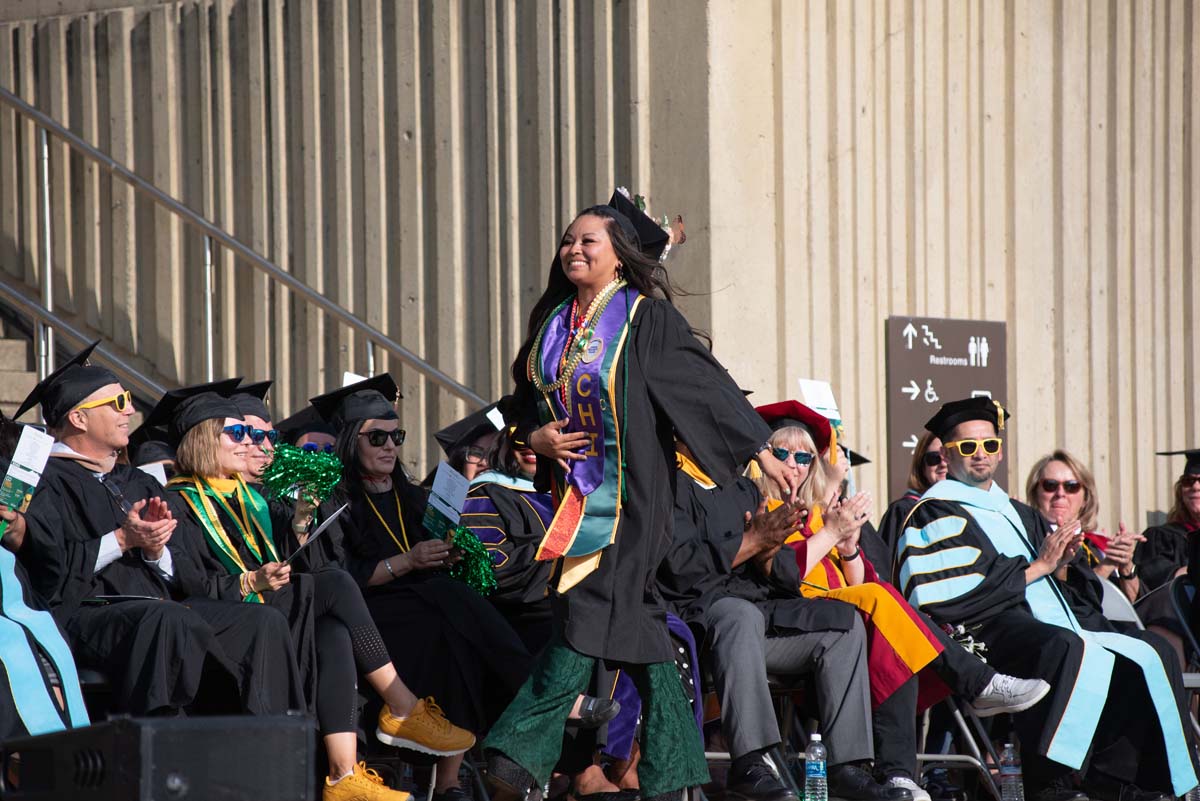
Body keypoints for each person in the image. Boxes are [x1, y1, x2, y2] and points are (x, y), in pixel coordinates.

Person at [483, 189, 801, 801]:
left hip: (632, 505)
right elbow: (521, 406)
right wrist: (533, 438)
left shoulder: (643, 319)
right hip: (575, 504)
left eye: (588, 240)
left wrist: (760, 449)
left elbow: (703, 387)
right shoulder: (552, 325)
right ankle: (677, 771)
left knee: (585, 613)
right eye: (568, 240)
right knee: (641, 626)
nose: (573, 249)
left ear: (619, 255)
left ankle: (515, 754)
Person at [160, 385, 473, 801]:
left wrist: (301, 520)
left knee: (334, 632)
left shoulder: (253, 499)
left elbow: (287, 559)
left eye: (257, 435)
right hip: (228, 621)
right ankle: (401, 706)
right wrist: (249, 582)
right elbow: (189, 584)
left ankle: (344, 775)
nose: (251, 443)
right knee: (337, 582)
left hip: (272, 607)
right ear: (203, 440)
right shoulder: (177, 503)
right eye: (238, 433)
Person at [897, 397, 1197, 801]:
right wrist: (1040, 566)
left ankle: (1119, 781)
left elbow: (1073, 591)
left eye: (988, 444)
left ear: (999, 452)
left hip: (1047, 623)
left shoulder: (1021, 514)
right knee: (1063, 647)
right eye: (968, 446)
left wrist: (1063, 567)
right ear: (948, 455)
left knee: (1149, 649)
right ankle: (1051, 784)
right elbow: (947, 597)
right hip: (983, 632)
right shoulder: (932, 512)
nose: (980, 454)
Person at [754, 401, 1047, 799]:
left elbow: (858, 581)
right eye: (783, 453)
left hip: (842, 619)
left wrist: (848, 548)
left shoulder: (819, 513)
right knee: (888, 609)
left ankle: (899, 776)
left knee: (896, 639)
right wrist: (830, 535)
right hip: (792, 620)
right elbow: (784, 575)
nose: (794, 464)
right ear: (765, 458)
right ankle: (977, 682)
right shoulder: (758, 507)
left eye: (804, 456)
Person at [15, 345, 302, 720]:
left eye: (128, 399)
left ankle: (270, 743)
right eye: (118, 402)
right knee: (168, 619)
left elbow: (188, 575)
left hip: (162, 606)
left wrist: (155, 549)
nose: (130, 411)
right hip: (85, 613)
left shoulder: (137, 481)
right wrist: (122, 540)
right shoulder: (43, 481)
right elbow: (47, 569)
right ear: (79, 418)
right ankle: (162, 747)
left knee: (260, 621)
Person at [313, 375, 548, 801]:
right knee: (447, 602)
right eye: (377, 437)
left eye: (396, 436)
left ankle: (449, 782)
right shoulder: (334, 501)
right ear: (350, 442)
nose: (389, 446)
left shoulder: (413, 496)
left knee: (453, 620)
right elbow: (337, 577)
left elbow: (431, 561)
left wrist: (449, 554)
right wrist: (409, 561)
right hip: (368, 616)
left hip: (420, 608)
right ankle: (534, 690)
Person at [660, 441, 910, 801]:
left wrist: (770, 548)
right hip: (698, 620)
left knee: (842, 624)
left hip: (756, 618)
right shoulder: (671, 482)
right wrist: (752, 541)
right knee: (739, 613)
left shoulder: (742, 489)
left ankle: (847, 766)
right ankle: (751, 762)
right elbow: (679, 568)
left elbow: (780, 574)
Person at [0, 411, 90, 739]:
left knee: (35, 644)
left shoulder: (13, 456)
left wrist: (18, 529)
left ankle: (54, 756)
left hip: (14, 608)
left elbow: (51, 568)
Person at [1025, 451, 1141, 603]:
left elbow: (1135, 605)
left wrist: (1125, 565)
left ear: (1086, 498)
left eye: (1071, 486)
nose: (1060, 493)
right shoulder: (1026, 538)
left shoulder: (1099, 544)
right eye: (1050, 485)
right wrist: (1107, 566)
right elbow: (1070, 602)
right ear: (1035, 493)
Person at [877, 431, 946, 560]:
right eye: (934, 458)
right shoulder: (904, 511)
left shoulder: (973, 509)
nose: (943, 463)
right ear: (922, 467)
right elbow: (885, 564)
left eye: (948, 456)